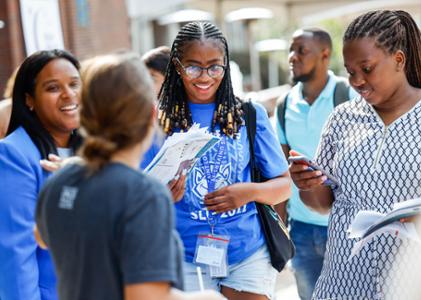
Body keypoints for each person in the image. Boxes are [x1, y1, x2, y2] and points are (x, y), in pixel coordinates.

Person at [35, 53, 224, 300]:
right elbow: (145, 296)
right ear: (151, 113)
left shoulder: (60, 180)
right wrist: (208, 297)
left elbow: (42, 237)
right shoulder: (143, 194)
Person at [289, 10, 421, 299]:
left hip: (412, 282)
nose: (356, 80)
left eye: (367, 69)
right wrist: (307, 183)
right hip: (343, 281)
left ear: (398, 59)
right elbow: (321, 205)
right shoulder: (341, 119)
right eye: (350, 71)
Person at [155, 21, 291, 300]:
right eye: (193, 66)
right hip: (185, 257)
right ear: (177, 67)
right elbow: (136, 193)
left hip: (247, 252)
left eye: (214, 66)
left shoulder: (249, 114)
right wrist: (161, 196)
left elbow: (284, 186)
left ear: (226, 66)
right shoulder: (157, 122)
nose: (205, 76)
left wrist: (249, 192)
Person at [274, 28, 356, 300]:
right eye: (291, 49)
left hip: (346, 228)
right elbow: (282, 172)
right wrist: (281, 232)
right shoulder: (285, 105)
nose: (292, 57)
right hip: (302, 232)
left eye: (301, 50)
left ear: (325, 54)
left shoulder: (349, 96)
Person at [0, 49, 82, 300]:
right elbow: (17, 252)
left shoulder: (98, 148)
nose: (68, 95)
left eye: (74, 84)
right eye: (53, 88)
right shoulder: (14, 154)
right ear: (29, 100)